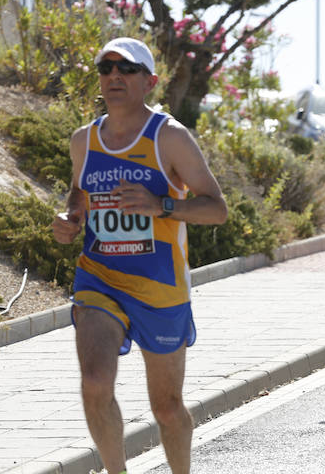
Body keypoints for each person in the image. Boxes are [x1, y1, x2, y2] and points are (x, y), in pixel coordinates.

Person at [51, 37, 228, 474]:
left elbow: (216, 208)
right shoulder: (83, 141)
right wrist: (70, 218)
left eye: (126, 69)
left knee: (166, 407)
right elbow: (79, 193)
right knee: (95, 382)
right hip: (99, 279)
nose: (114, 75)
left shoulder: (169, 137)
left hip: (161, 287)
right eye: (106, 67)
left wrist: (162, 205)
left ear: (148, 81)